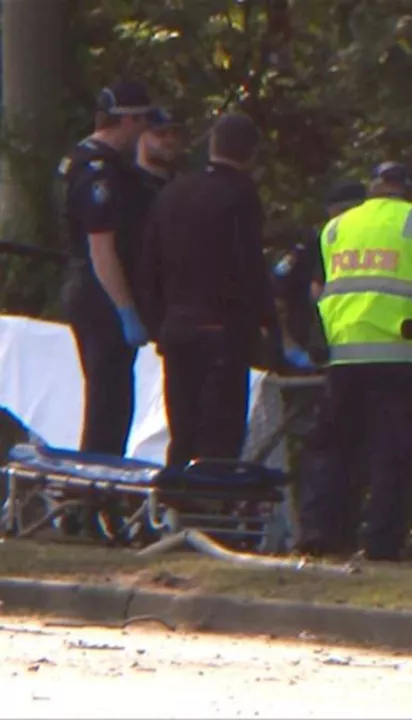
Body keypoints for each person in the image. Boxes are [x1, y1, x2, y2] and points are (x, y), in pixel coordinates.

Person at [296, 161, 412, 561]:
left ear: (373, 186)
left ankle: (320, 534)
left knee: (333, 449)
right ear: (407, 189)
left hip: (345, 358)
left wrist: (336, 331)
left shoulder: (337, 228)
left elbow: (316, 292)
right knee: (391, 454)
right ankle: (381, 547)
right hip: (403, 357)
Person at [136, 113, 296, 468]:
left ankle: (176, 505)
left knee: (183, 426)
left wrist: (156, 322)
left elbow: (149, 263)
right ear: (251, 155)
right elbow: (248, 265)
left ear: (212, 145)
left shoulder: (172, 192)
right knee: (220, 434)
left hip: (177, 328)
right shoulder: (239, 196)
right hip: (222, 327)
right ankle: (212, 509)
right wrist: (270, 326)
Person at [56, 81, 155, 457]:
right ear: (125, 120)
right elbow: (102, 249)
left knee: (111, 400)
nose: (145, 130)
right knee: (109, 404)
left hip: (89, 288)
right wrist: (125, 308)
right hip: (100, 294)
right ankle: (94, 497)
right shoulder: (100, 172)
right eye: (142, 120)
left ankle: (97, 498)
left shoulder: (78, 160)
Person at [269, 179, 368, 366]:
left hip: (355, 353)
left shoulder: (372, 249)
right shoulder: (312, 247)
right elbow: (274, 296)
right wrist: (288, 346)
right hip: (311, 352)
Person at [133, 107, 186, 205]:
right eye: (161, 133)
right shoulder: (130, 185)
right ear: (140, 136)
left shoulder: (184, 185)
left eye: (176, 133)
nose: (171, 140)